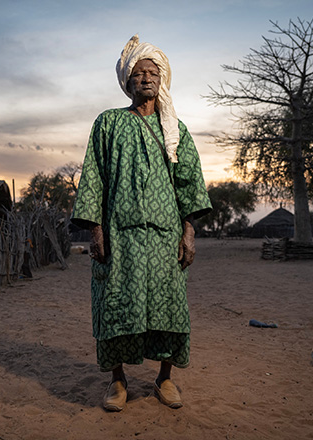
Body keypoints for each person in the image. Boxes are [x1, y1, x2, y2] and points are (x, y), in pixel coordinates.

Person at [70, 34, 211, 412]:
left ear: (161, 80)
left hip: (165, 238)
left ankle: (165, 379)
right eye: (139, 72)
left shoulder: (175, 131)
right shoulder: (108, 124)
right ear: (128, 81)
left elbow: (190, 185)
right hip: (120, 236)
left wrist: (189, 232)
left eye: (153, 72)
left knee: (169, 306)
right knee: (114, 303)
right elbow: (95, 177)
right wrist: (96, 231)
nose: (147, 78)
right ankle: (117, 382)